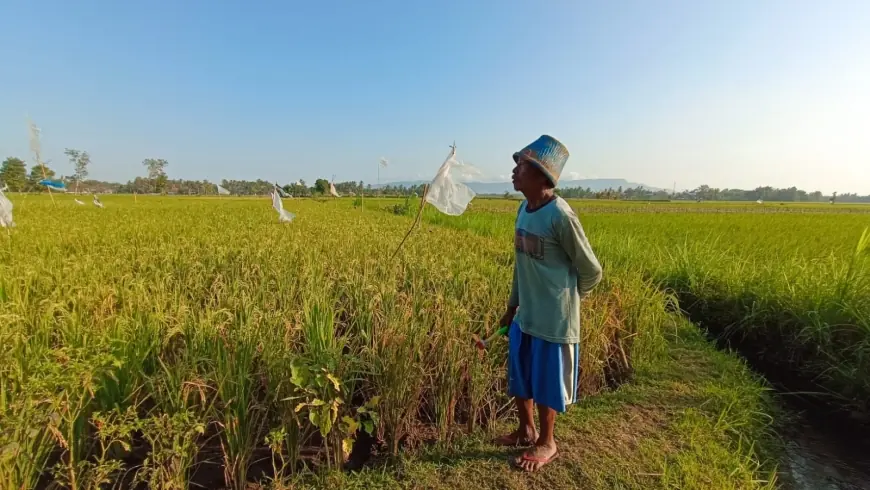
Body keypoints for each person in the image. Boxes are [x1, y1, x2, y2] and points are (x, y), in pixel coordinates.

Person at [495, 135, 603, 472]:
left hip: (554, 320)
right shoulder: (523, 210)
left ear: (543, 177)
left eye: (521, 166)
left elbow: (591, 270)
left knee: (545, 381)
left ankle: (547, 442)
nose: (514, 171)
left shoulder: (561, 216)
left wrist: (570, 300)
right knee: (521, 374)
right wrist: (512, 307)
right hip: (526, 314)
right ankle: (525, 430)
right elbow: (520, 265)